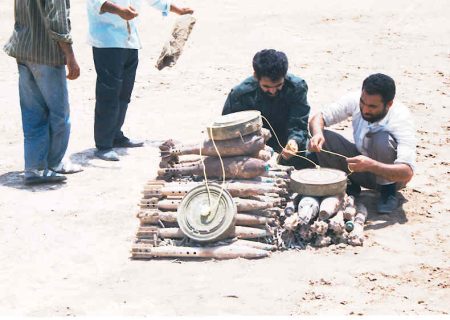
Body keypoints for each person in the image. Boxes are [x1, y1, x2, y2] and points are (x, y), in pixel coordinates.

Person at [87, 0, 193, 161]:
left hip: (130, 41)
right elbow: (98, 3)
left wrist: (176, 9)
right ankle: (103, 144)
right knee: (108, 95)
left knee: (124, 94)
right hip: (107, 42)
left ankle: (116, 134)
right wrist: (119, 10)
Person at [308, 73, 416, 214]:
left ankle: (387, 193)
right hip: (360, 167)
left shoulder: (401, 119)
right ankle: (348, 186)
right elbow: (318, 118)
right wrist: (317, 134)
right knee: (325, 137)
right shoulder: (355, 100)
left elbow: (407, 173)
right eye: (362, 103)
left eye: (372, 106)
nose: (365, 109)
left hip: (391, 177)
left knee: (380, 138)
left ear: (389, 104)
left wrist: (371, 165)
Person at [4, 0, 82, 185]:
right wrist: (70, 56)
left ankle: (34, 168)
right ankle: (54, 164)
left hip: (24, 50)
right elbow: (58, 21)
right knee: (59, 114)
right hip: (47, 54)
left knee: (33, 113)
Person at [222, 49, 313, 169]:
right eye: (266, 86)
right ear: (256, 77)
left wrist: (294, 141)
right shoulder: (240, 95)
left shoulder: (297, 88)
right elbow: (228, 131)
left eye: (278, 85)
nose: (273, 91)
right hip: (252, 145)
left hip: (286, 142)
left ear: (284, 76)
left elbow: (299, 123)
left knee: (311, 157)